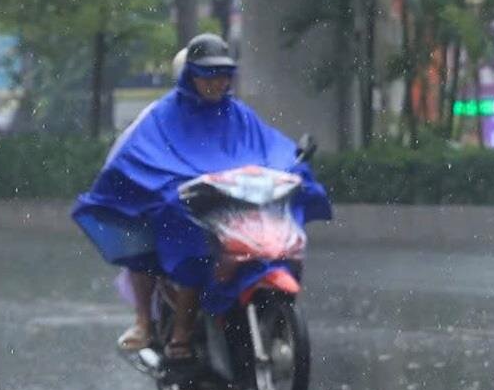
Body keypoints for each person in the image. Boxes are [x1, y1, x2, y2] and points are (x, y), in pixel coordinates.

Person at [73, 34, 330, 362]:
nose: (216, 82)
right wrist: (167, 188)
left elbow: (271, 149)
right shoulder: (163, 115)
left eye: (223, 74)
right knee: (190, 248)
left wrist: (294, 164)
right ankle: (178, 333)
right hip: (188, 211)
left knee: (280, 244)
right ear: (190, 74)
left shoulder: (240, 115)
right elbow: (137, 154)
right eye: (207, 74)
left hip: (236, 212)